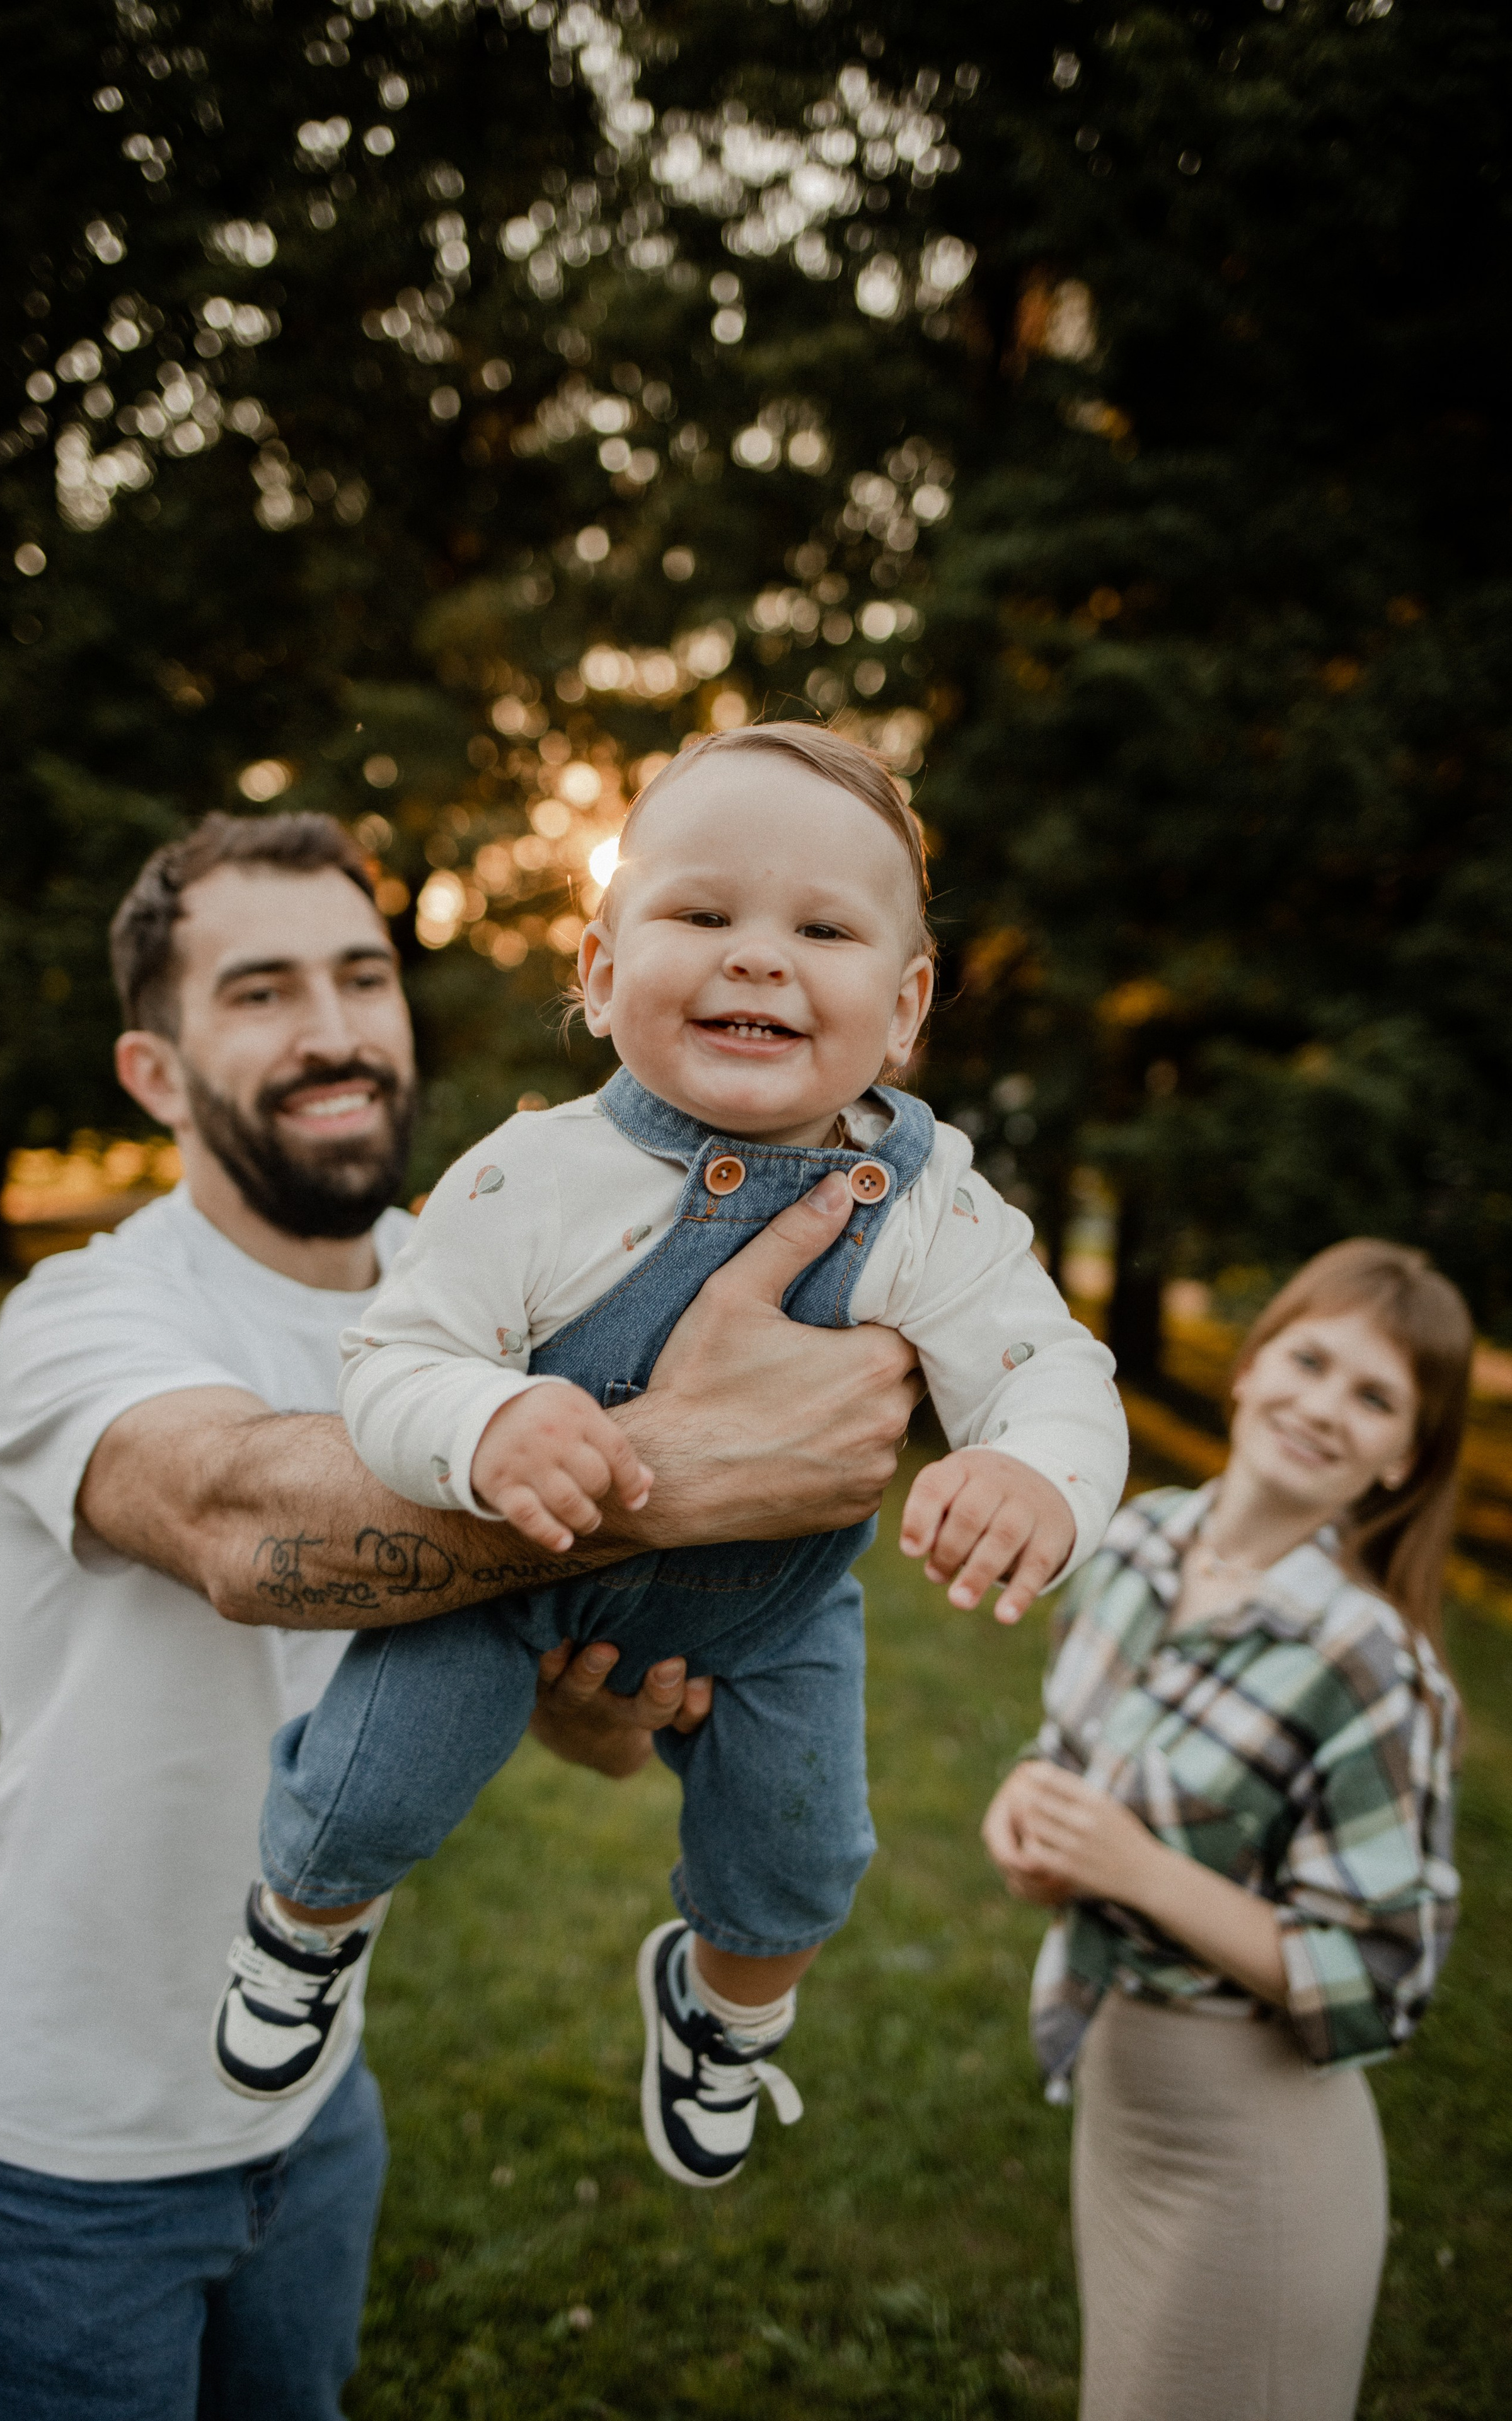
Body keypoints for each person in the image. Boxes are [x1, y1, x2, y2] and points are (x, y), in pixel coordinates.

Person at [0, 810, 928, 2421]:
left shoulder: (505, 1273)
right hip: (54, 2137)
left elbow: (577, 1705)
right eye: (258, 992)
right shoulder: (84, 1311)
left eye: (360, 976)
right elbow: (243, 1523)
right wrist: (692, 1464)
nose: (332, 1030)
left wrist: (604, 1687)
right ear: (155, 1071)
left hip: (313, 2105)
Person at [211, 724, 1130, 2192]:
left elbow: (1049, 1370)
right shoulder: (530, 1176)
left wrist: (1037, 1475)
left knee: (802, 1852)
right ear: (596, 972)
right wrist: (485, 1422)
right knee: (371, 1782)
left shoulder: (929, 1209)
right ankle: (301, 1928)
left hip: (769, 1616)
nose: (756, 956)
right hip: (500, 1576)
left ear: (903, 1009)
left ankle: (723, 2012)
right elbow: (394, 1361)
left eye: (820, 930)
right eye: (701, 913)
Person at [981, 1239, 1469, 2421]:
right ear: (1250, 1369)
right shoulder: (1133, 1543)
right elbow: (1074, 1754)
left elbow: (1384, 1980)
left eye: (1376, 1399)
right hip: (1119, 2103)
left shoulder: (1370, 1668)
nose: (1325, 1408)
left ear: (1403, 1457)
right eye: (1310, 1362)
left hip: (1255, 2151)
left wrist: (1139, 1871)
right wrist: (1029, 1810)